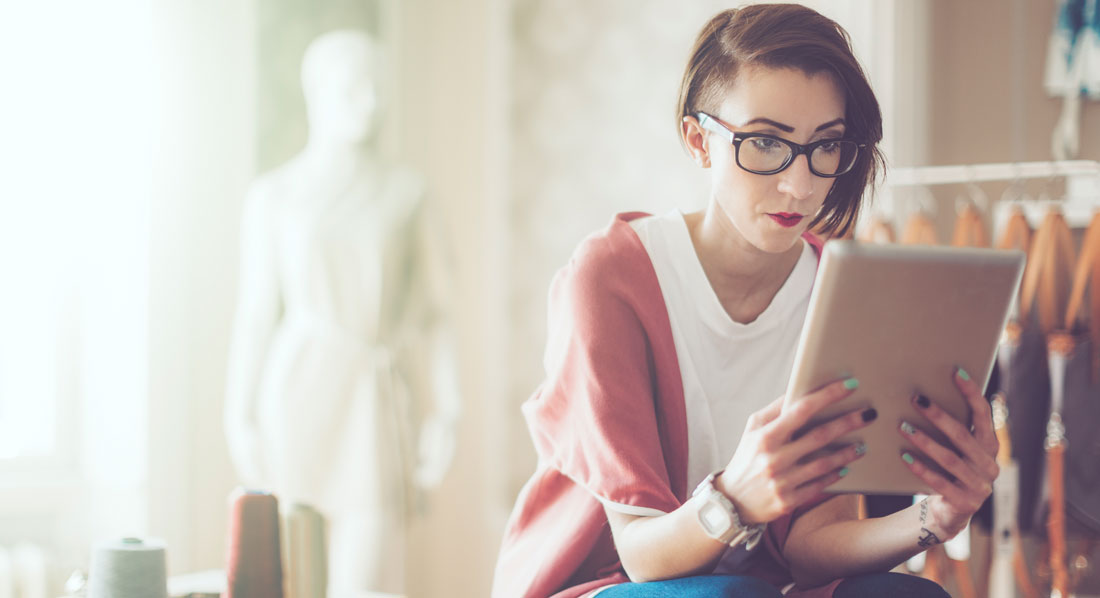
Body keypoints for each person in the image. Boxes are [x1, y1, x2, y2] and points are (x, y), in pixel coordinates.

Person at [492, 5, 998, 598]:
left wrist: (932, 520)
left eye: (825, 146)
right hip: (609, 581)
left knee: (912, 596)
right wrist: (736, 497)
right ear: (698, 140)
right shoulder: (612, 278)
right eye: (764, 143)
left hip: (767, 586)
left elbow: (815, 547)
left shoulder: (835, 289)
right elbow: (640, 555)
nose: (799, 185)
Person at [223, 30, 460, 596]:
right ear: (317, 94)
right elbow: (256, 314)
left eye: (378, 89)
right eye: (354, 89)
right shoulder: (275, 196)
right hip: (297, 388)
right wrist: (239, 413)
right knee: (287, 576)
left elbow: (435, 314)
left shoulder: (407, 193)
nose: (371, 103)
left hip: (373, 396)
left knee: (364, 579)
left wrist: (447, 412)